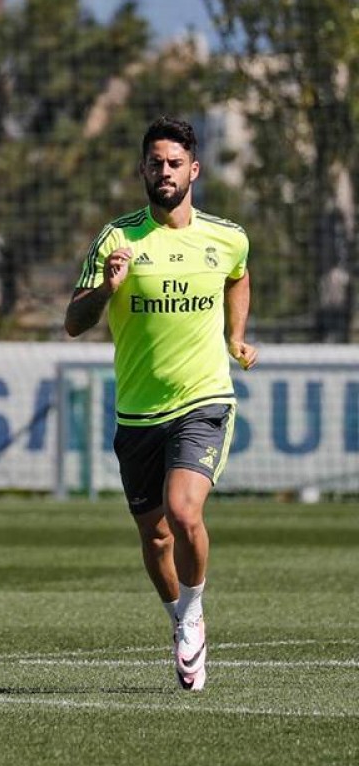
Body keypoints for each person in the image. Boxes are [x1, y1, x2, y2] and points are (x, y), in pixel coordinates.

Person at [64, 116, 257, 691]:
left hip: (204, 399)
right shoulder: (116, 239)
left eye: (175, 163)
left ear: (194, 169)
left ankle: (193, 611)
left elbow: (238, 275)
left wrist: (235, 336)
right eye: (156, 163)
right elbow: (74, 322)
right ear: (143, 170)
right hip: (138, 414)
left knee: (184, 511)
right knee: (156, 537)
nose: (165, 172)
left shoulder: (227, 236)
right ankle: (178, 616)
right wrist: (106, 289)